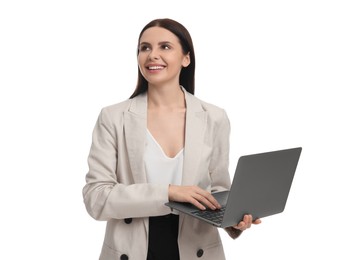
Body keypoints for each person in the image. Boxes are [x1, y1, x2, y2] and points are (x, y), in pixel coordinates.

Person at [83, 18, 261, 260]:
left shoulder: (214, 117)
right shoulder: (114, 117)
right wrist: (168, 193)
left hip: (196, 248)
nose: (152, 55)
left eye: (164, 47)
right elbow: (96, 198)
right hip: (131, 249)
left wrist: (233, 219)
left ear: (186, 58)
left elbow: (219, 190)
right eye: (144, 48)